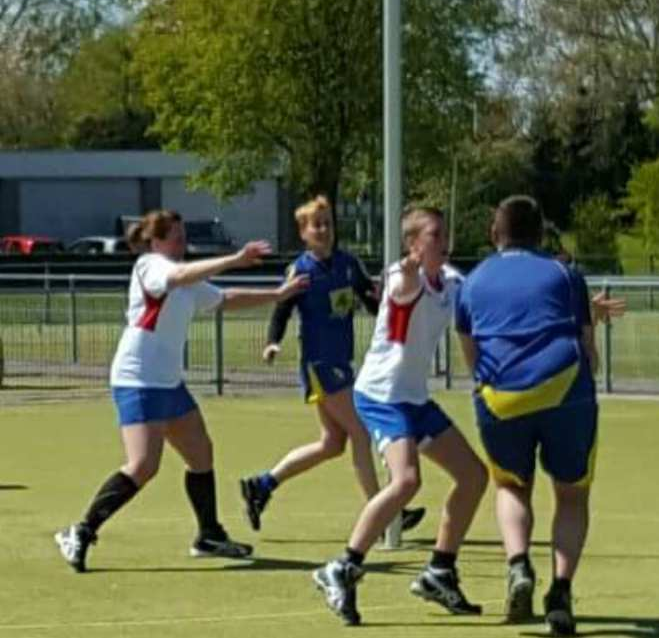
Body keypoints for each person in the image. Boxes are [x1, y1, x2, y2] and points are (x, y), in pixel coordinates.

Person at [54, 209, 307, 573]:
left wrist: (277, 294)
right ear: (155, 241)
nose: (181, 241)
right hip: (137, 377)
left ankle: (209, 535)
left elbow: (225, 299)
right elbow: (177, 276)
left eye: (183, 235)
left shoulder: (188, 279)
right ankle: (79, 532)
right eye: (174, 236)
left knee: (201, 452)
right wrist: (235, 259)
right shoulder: (151, 266)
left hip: (168, 381)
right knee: (143, 466)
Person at [313, 206, 488, 626]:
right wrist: (411, 268)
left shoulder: (452, 281)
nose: (444, 242)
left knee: (474, 476)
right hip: (381, 395)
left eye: (445, 234)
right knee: (407, 480)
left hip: (413, 398)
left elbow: (487, 298)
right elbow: (404, 285)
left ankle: (440, 571)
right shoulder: (399, 276)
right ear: (413, 243)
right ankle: (342, 567)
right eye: (434, 235)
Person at [455, 195, 600, 636]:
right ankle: (560, 591)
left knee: (512, 486)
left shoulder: (473, 281)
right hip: (564, 390)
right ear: (541, 234)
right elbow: (589, 350)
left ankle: (518, 565)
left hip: (500, 397)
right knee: (571, 495)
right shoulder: (564, 274)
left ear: (494, 233)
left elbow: (470, 354)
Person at [239, 196, 425, 536]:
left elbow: (371, 303)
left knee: (332, 443)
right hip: (320, 363)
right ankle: (383, 511)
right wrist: (272, 341)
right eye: (316, 225)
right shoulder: (302, 270)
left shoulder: (348, 264)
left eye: (328, 224)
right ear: (304, 232)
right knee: (361, 431)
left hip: (342, 360)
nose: (324, 230)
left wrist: (387, 297)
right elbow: (282, 307)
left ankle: (262, 485)